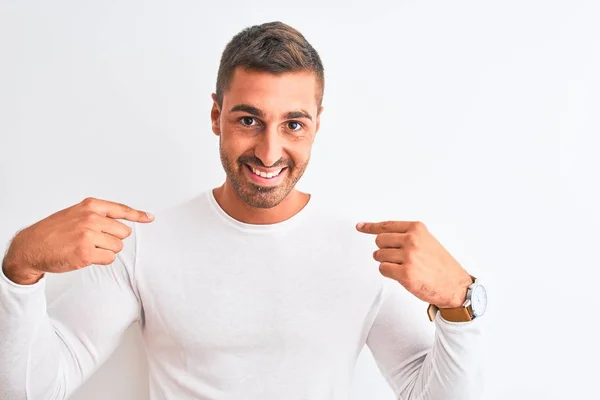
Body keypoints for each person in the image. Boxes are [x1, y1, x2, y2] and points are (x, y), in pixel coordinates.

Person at [0, 21, 486, 400]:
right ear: (217, 116)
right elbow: (33, 389)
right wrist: (19, 270)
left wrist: (459, 306)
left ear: (317, 125)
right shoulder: (142, 244)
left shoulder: (368, 254)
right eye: (249, 120)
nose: (269, 152)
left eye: (293, 124)